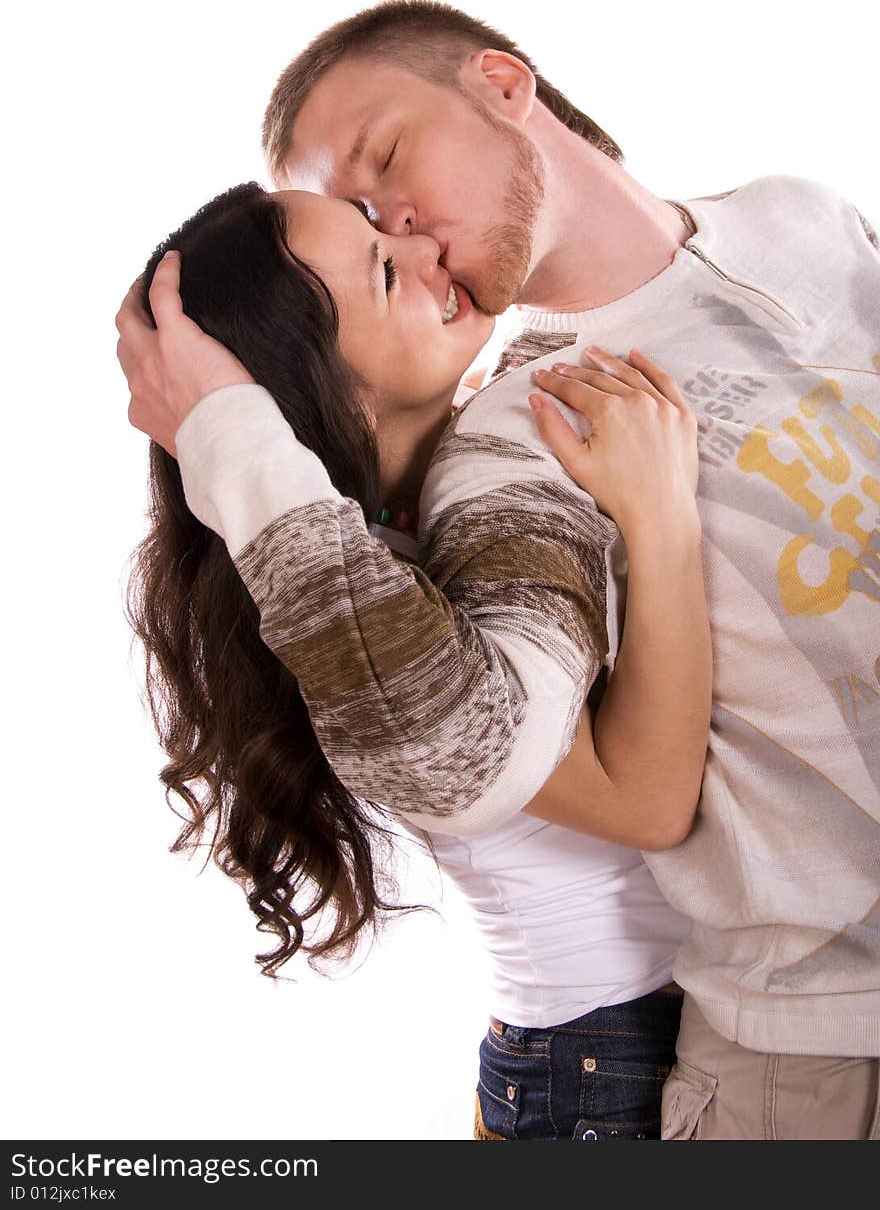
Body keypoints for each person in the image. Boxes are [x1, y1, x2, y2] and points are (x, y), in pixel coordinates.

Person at [117, 0, 880, 1140]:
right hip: (667, 1042)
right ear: (330, 387)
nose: (418, 239)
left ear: (502, 82)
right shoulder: (496, 464)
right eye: (375, 244)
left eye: (384, 169)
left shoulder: (790, 220)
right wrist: (230, 424)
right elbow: (614, 785)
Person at [120, 182, 710, 1141]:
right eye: (386, 268)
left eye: (377, 213)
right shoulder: (371, 602)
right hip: (606, 1061)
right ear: (323, 390)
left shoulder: (468, 476)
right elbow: (648, 800)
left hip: (626, 1037)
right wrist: (661, 517)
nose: (428, 243)